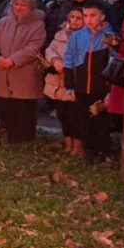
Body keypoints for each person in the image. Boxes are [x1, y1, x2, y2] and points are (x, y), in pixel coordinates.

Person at [0, 0, 47, 143]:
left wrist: (13, 60)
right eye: (16, 4)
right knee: (7, 107)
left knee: (24, 108)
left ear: (31, 7)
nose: (18, 7)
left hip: (24, 72)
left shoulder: (38, 24)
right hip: (2, 70)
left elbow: (33, 47)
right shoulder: (3, 22)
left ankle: (25, 139)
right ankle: (11, 136)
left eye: (23, 5)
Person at [62, 1, 115, 162]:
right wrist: (70, 85)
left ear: (102, 17)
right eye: (86, 16)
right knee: (83, 120)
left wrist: (110, 90)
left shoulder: (109, 35)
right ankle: (88, 150)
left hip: (101, 86)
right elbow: (68, 59)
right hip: (81, 86)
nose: (89, 19)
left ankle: (102, 151)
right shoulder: (77, 36)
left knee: (100, 121)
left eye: (93, 15)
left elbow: (114, 60)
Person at [44, 8, 85, 157]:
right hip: (59, 82)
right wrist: (55, 60)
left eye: (78, 18)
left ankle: (78, 144)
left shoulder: (88, 36)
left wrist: (68, 65)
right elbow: (50, 48)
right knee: (63, 114)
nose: (74, 20)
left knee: (77, 115)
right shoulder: (61, 34)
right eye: (72, 17)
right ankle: (67, 141)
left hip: (75, 82)